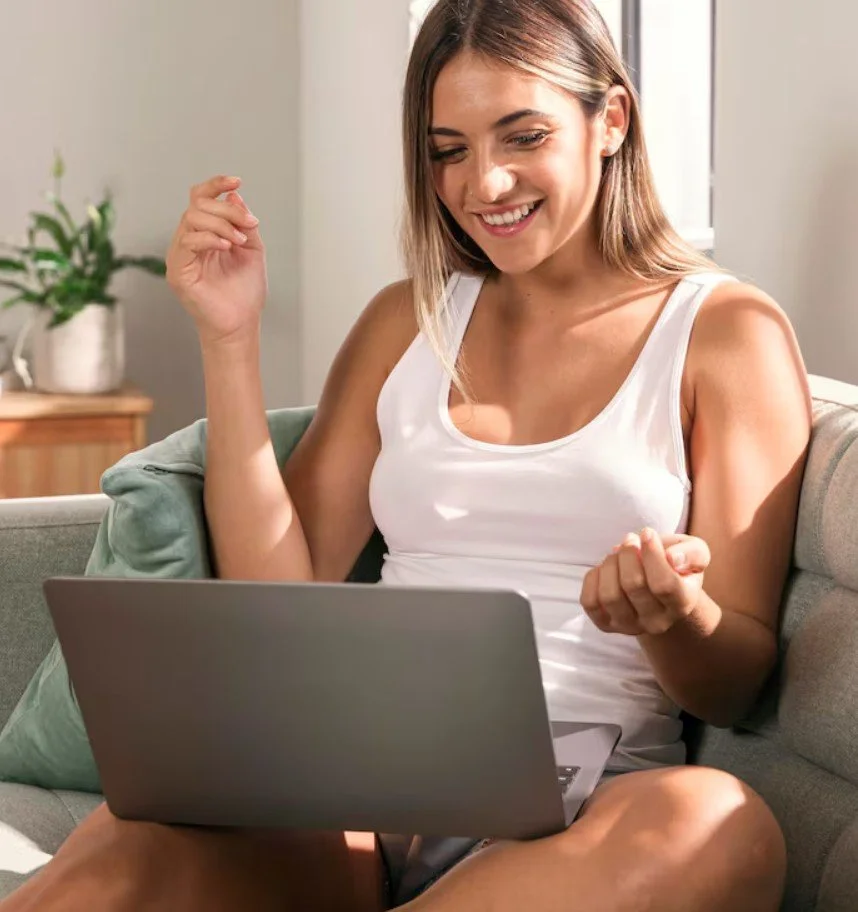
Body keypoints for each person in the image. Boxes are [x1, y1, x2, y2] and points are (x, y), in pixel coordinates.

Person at [1, 0, 811, 909]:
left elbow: (738, 684)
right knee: (130, 837)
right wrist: (228, 341)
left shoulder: (725, 333)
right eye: (449, 151)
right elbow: (281, 604)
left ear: (610, 119)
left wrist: (672, 616)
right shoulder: (408, 319)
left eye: (523, 135)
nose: (486, 184)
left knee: (721, 819)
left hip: (585, 821)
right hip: (355, 805)